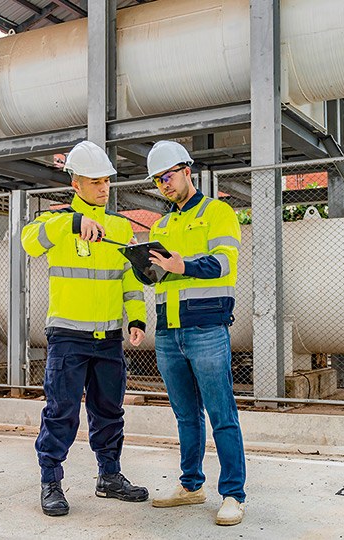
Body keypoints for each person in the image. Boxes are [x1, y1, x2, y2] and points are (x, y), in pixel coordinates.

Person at [21, 140, 149, 517]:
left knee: (109, 411)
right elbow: (29, 242)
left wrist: (136, 318)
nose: (104, 188)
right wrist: (74, 223)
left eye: (106, 181)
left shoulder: (120, 227)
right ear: (75, 184)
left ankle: (109, 477)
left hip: (108, 339)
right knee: (61, 412)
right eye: (95, 182)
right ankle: (51, 481)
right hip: (67, 338)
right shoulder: (57, 222)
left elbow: (129, 279)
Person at [134, 140, 246, 526]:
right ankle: (191, 485)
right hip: (169, 332)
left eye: (167, 176)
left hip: (206, 327)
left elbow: (224, 264)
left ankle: (233, 494)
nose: (163, 184)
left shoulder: (218, 213)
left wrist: (184, 265)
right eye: (157, 180)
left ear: (186, 171)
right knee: (185, 415)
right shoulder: (161, 225)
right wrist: (140, 264)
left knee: (221, 413)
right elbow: (158, 278)